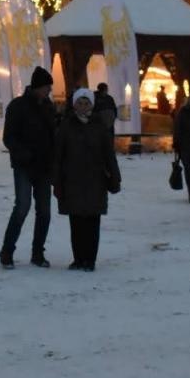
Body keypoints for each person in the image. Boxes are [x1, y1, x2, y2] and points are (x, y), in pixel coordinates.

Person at [52, 88, 120, 271]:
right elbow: (58, 156)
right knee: (76, 223)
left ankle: (90, 259)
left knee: (92, 222)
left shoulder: (100, 127)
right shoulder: (66, 126)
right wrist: (56, 181)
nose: (83, 107)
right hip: (72, 180)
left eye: (86, 103)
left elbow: (109, 155)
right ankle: (78, 258)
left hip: (95, 181)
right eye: (79, 103)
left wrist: (115, 178)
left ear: (92, 104)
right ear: (74, 105)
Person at [0, 66, 56, 269]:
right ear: (37, 87)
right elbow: (9, 137)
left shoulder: (49, 107)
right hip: (24, 166)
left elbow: (54, 135)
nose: (49, 90)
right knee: (22, 207)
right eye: (47, 87)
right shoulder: (17, 106)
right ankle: (7, 251)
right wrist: (23, 154)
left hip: (44, 167)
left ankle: (37, 253)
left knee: (45, 212)